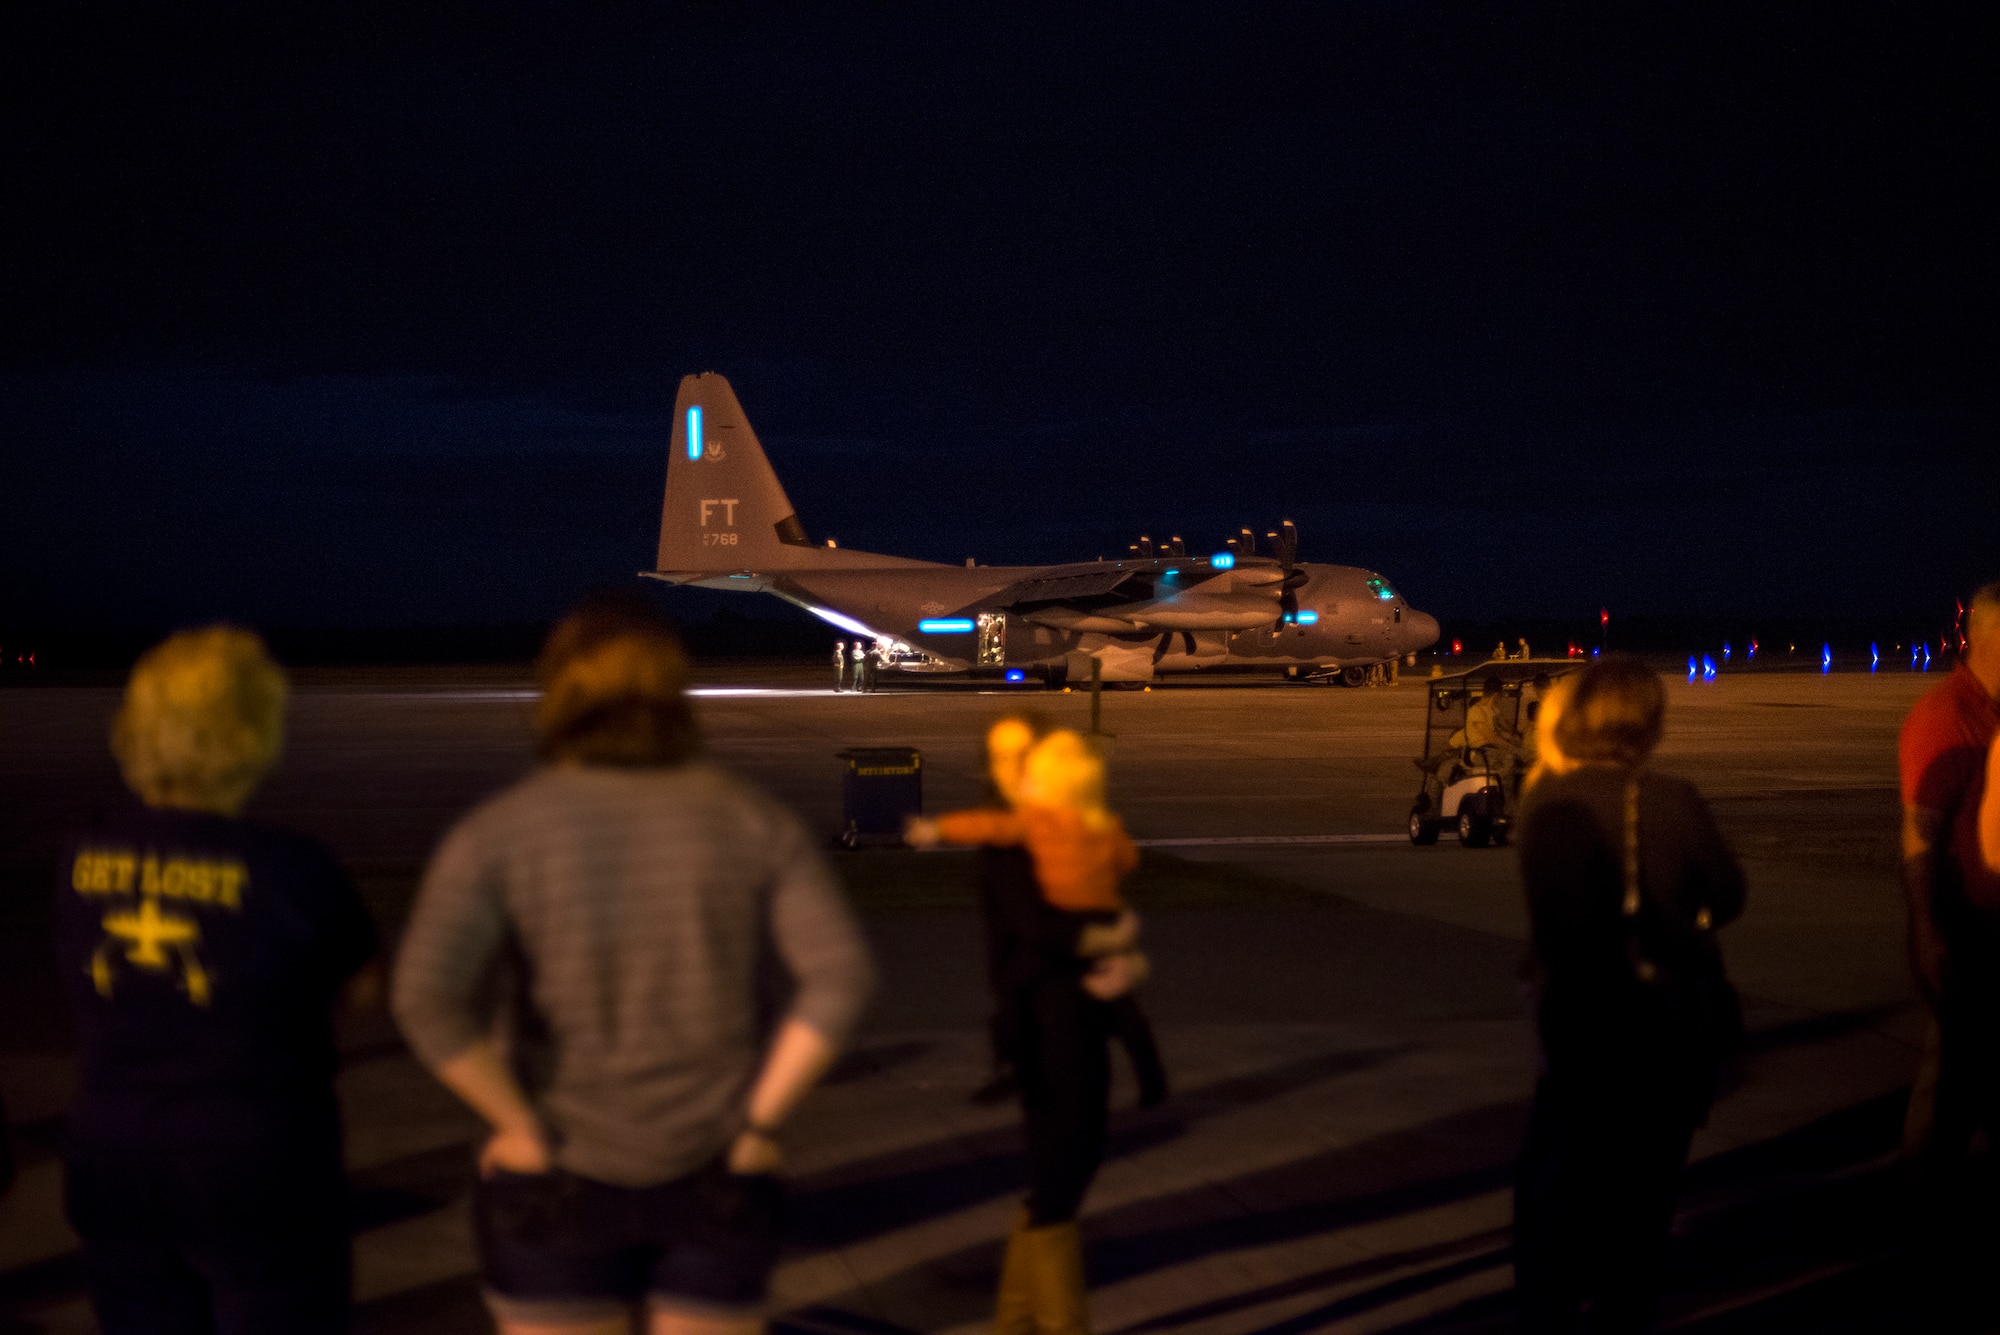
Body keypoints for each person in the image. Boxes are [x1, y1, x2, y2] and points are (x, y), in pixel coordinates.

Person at [392, 594, 875, 1335]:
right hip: (717, 1175)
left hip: (555, 1179)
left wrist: (513, 1120)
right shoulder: (749, 818)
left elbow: (425, 994)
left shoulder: (503, 829)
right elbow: (840, 977)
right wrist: (758, 1122)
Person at [57, 627, 378, 1334]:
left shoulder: (78, 860)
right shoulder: (291, 866)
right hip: (256, 1164)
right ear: (251, 733)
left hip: (112, 1158)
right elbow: (362, 987)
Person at [1511, 655, 1745, 1332]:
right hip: (1664, 1022)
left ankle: (1549, 1303)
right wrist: (1683, 915)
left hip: (1578, 1017)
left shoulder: (1543, 800)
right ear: (1646, 722)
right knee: (1647, 1194)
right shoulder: (1671, 797)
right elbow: (1729, 894)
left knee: (1557, 1176)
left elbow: (1549, 919)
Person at [906, 728, 1153, 1335]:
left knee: (1056, 1184)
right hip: (1050, 1027)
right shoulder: (1017, 845)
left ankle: (1015, 1322)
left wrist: (1125, 951)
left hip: (1074, 1020)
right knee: (1059, 1188)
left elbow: (1112, 885)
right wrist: (1110, 938)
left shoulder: (1055, 829)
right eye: (1006, 759)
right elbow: (1039, 939)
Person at [1896, 580, 2000, 1167]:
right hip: (1970, 934)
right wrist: (1926, 928)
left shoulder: (1993, 715)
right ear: (1989, 637)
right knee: (1949, 1091)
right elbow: (1920, 836)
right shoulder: (1944, 717)